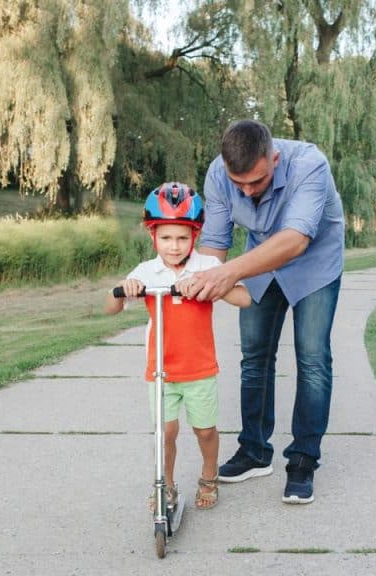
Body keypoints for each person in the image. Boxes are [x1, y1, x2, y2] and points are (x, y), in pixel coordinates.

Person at [187, 119, 345, 504]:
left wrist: (229, 272)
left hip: (313, 261)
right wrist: (200, 282)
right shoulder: (218, 174)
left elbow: (294, 240)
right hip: (259, 260)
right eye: (238, 182)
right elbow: (215, 244)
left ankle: (303, 460)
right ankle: (255, 452)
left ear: (273, 158)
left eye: (255, 182)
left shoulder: (309, 164)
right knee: (254, 355)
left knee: (312, 358)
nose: (246, 190)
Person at [105, 182, 250, 512]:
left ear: (195, 236)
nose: (174, 246)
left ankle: (209, 475)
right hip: (161, 371)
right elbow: (110, 306)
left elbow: (244, 298)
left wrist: (208, 286)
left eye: (183, 238)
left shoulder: (208, 266)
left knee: (204, 430)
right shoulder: (146, 272)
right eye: (166, 237)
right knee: (165, 433)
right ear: (152, 235)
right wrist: (125, 288)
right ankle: (165, 485)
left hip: (199, 370)